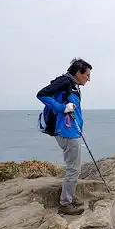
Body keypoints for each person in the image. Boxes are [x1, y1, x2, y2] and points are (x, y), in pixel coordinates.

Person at [37, 58, 92, 215]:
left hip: (72, 131)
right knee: (73, 168)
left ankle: (70, 197)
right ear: (78, 72)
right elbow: (41, 94)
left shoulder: (73, 86)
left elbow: (75, 111)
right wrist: (62, 108)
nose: (88, 79)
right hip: (66, 132)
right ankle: (65, 203)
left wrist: (79, 129)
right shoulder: (64, 82)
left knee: (74, 168)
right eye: (87, 75)